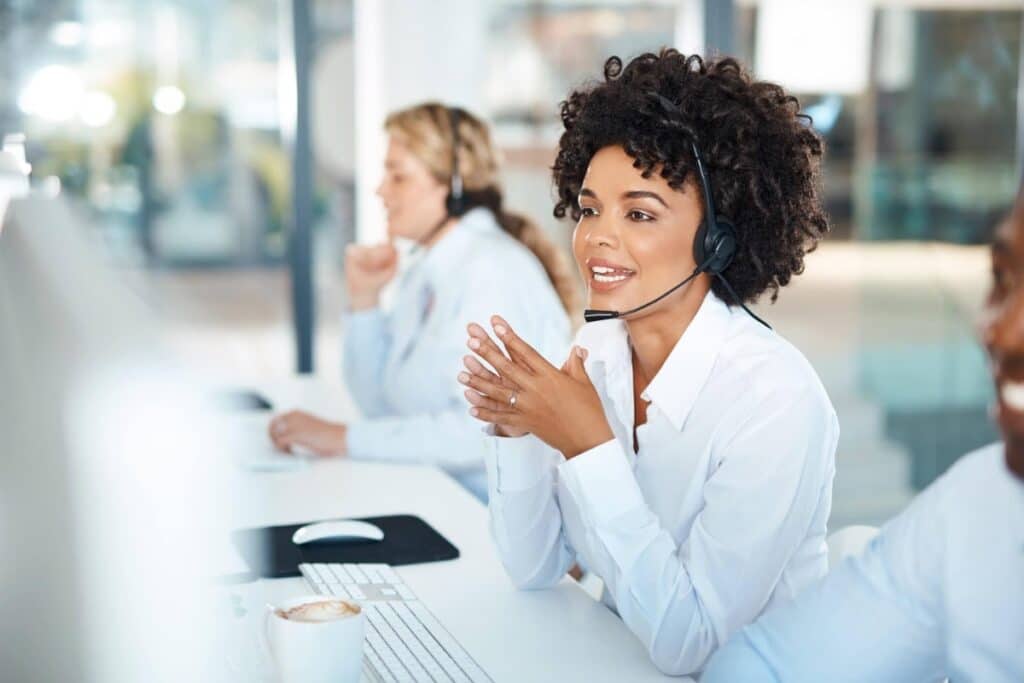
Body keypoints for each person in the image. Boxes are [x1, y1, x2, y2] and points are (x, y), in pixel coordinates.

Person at [458, 50, 837, 675]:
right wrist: (517, 428)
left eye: (638, 213)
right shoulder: (599, 352)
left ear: (718, 239)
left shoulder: (776, 400)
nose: (594, 238)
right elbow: (533, 567)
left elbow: (690, 646)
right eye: (588, 208)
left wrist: (587, 445)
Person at [702, 195, 1024, 683]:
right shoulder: (978, 503)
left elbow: (693, 635)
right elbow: (762, 663)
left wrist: (593, 454)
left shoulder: (774, 393)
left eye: (639, 213)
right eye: (1003, 278)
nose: (1000, 332)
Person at [268, 103, 574, 501]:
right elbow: (378, 403)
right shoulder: (425, 270)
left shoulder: (492, 272)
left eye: (398, 176)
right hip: (435, 495)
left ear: (454, 185)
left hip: (487, 517)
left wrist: (341, 438)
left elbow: (476, 432)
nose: (381, 190)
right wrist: (364, 300)